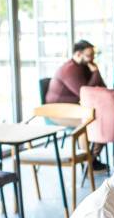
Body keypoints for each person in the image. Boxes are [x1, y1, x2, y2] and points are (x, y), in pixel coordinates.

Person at [46, 39, 108, 171]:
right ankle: (88, 161)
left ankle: (90, 158)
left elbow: (102, 86)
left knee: (104, 120)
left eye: (93, 55)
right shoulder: (69, 70)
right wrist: (95, 72)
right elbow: (85, 93)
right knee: (90, 122)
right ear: (78, 54)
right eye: (89, 55)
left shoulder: (84, 66)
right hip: (57, 111)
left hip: (75, 108)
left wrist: (96, 72)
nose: (92, 58)